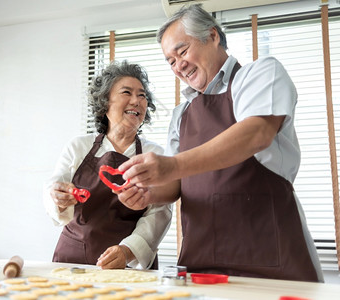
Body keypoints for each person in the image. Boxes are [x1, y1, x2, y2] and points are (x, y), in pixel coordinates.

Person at [115, 4, 324, 282]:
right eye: (171, 61)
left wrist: (171, 165)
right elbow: (176, 183)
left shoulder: (259, 75)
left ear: (212, 36)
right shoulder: (182, 114)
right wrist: (149, 193)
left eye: (182, 51)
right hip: (202, 261)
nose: (179, 66)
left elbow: (256, 133)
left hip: (270, 258)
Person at [43, 60, 172, 270]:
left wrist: (128, 250)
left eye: (142, 95)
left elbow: (160, 212)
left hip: (129, 264)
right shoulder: (79, 146)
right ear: (105, 102)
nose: (136, 101)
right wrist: (58, 198)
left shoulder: (154, 154)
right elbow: (53, 188)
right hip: (73, 260)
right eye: (126, 92)